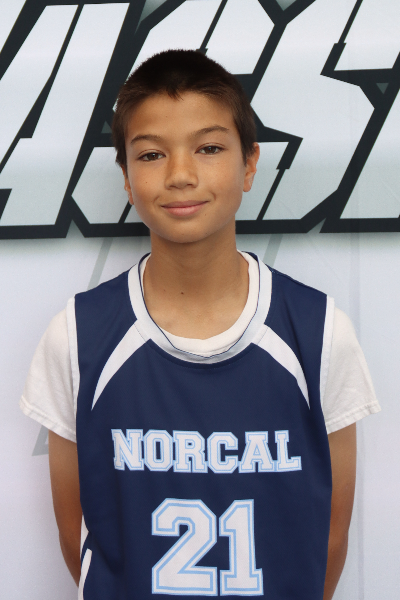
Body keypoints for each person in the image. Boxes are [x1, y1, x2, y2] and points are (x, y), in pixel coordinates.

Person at [20, 50, 380, 600]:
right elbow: (80, 535)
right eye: (151, 154)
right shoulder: (78, 335)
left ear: (250, 163)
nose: (181, 175)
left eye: (209, 148)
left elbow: (328, 537)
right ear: (126, 177)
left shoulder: (318, 331)